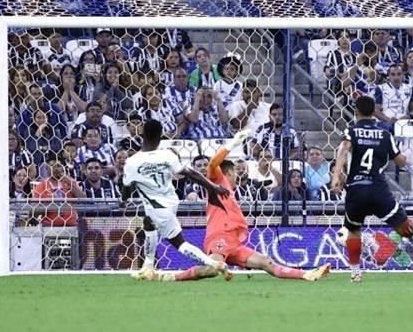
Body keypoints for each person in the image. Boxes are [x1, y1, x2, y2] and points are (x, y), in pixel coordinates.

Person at [138, 126, 329, 282]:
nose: (238, 176)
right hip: (220, 236)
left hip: (234, 243)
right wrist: (233, 143)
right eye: (236, 173)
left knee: (265, 262)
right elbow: (213, 164)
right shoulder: (217, 182)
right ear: (228, 173)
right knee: (212, 268)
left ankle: (307, 274)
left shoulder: (231, 192)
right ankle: (168, 277)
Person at [330, 95, 413, 282]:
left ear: (356, 111)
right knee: (401, 228)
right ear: (374, 112)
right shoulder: (385, 134)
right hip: (378, 188)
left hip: (357, 189)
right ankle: (411, 226)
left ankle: (355, 272)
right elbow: (400, 162)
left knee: (353, 231)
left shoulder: (351, 131)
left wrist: (336, 176)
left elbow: (343, 149)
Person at [124, 119, 229, 277]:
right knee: (148, 222)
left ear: (142, 134)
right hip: (171, 202)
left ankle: (214, 263)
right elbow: (190, 173)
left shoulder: (132, 162)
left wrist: (124, 197)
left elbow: (126, 189)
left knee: (180, 243)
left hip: (159, 208)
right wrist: (213, 187)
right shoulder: (167, 155)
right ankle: (148, 266)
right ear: (161, 136)